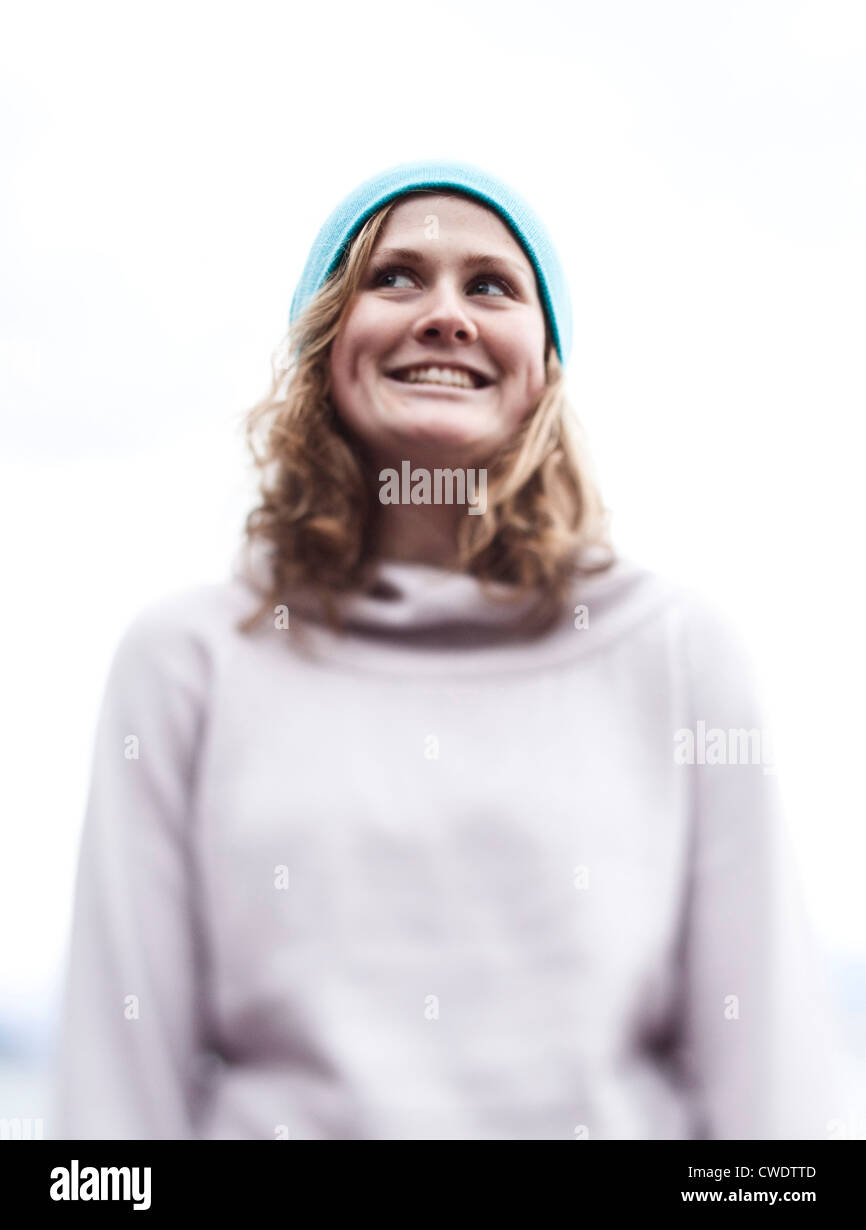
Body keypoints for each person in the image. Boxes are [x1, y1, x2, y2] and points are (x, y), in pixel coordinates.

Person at [51, 159, 848, 1140]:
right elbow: (111, 1093)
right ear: (323, 341)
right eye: (394, 277)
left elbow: (770, 1081)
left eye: (490, 285)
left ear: (545, 366)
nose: (445, 315)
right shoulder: (186, 662)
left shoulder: (678, 653)